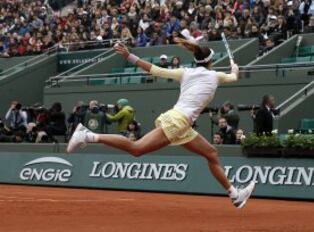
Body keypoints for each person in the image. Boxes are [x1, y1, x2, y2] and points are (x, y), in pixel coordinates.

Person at [67, 38, 255, 208]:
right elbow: (233, 77)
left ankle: (235, 195)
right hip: (178, 121)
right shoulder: (216, 76)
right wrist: (235, 69)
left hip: (182, 123)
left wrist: (129, 56)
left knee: (211, 154)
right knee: (136, 148)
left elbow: (154, 70)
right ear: (210, 61)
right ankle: (87, 135)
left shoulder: (186, 72)